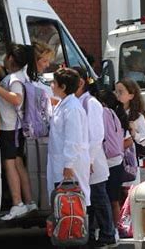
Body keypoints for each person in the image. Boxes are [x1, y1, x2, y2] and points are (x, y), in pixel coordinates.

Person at [0, 43, 37, 220]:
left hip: (10, 128)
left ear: (10, 58)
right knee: (18, 164)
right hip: (15, 128)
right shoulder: (17, 76)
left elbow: (17, 99)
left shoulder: (14, 80)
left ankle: (17, 204)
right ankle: (29, 201)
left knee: (10, 164)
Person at [73, 67, 116, 247]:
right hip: (84, 161)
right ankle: (90, 234)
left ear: (81, 83)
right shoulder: (78, 102)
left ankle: (108, 234)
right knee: (88, 200)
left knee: (98, 198)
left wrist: (89, 160)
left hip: (94, 161)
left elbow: (97, 135)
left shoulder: (91, 103)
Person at [47, 67, 91, 211]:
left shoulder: (72, 108)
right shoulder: (63, 104)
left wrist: (68, 164)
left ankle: (79, 232)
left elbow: (73, 138)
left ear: (63, 87)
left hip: (70, 164)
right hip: (61, 161)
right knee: (62, 203)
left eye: (54, 82)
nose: (51, 85)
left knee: (75, 203)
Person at [97, 90, 131, 230]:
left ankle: (106, 229)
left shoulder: (101, 114)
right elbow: (128, 140)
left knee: (101, 199)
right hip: (117, 161)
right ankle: (117, 229)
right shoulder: (115, 116)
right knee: (114, 200)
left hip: (104, 162)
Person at [115, 78, 145, 185]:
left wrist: (134, 133)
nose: (117, 95)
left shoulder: (137, 117)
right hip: (115, 159)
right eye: (116, 92)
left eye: (120, 92)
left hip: (131, 163)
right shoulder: (112, 113)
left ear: (131, 95)